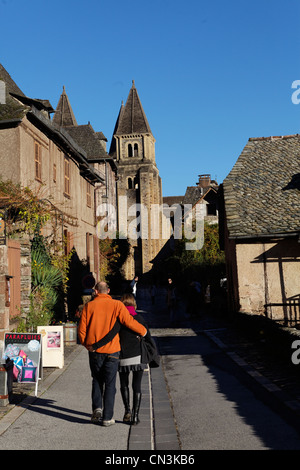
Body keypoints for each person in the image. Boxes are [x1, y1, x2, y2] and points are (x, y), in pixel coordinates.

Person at [77, 281, 147, 427]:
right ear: (108, 291)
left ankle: (97, 408)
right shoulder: (117, 305)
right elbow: (128, 321)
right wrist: (144, 331)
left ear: (95, 291)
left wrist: (87, 345)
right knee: (110, 384)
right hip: (113, 350)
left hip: (95, 350)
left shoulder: (88, 307)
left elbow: (82, 330)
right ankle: (107, 418)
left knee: (96, 379)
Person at [118, 293, 149, 425]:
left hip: (122, 356)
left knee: (124, 385)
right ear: (133, 304)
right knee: (137, 386)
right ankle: (135, 416)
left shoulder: (118, 319)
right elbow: (147, 336)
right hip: (137, 356)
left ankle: (127, 411)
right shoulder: (140, 318)